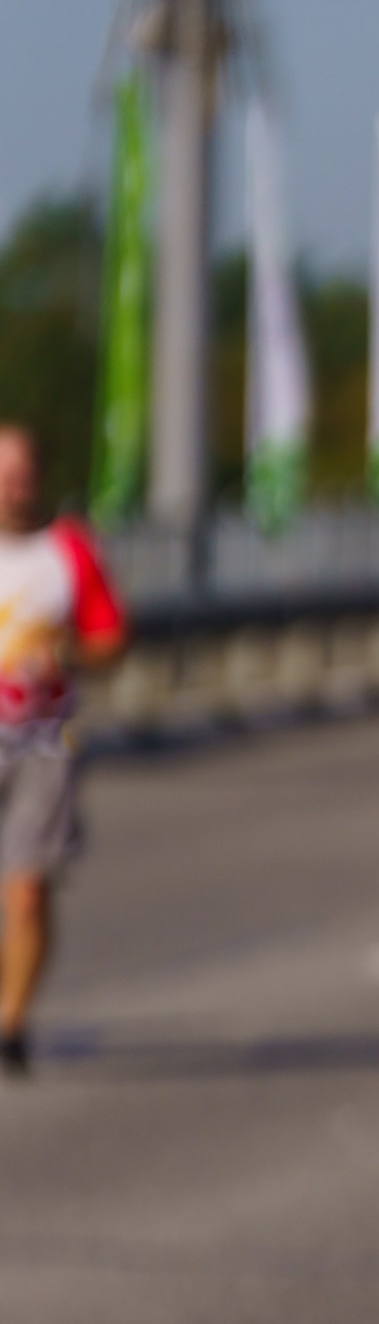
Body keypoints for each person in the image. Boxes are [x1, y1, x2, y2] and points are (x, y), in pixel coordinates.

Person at [0, 424, 128, 1073]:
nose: (12, 483)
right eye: (3, 471)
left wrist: (67, 653)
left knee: (26, 890)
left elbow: (111, 640)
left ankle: (12, 1021)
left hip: (43, 742)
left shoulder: (68, 550)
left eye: (22, 471)